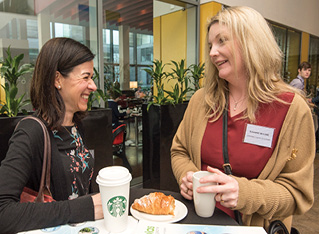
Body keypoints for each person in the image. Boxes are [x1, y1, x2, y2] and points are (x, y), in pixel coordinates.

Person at [171, 6, 315, 232]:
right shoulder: (201, 100)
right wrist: (187, 175)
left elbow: (297, 194)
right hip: (198, 224)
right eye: (210, 45)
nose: (212, 53)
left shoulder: (292, 109)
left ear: (252, 43)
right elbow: (179, 150)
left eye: (222, 41)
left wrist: (245, 193)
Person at [0, 37, 103, 233]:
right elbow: (2, 211)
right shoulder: (31, 132)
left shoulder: (76, 126)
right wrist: (86, 208)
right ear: (57, 80)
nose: (93, 86)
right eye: (86, 77)